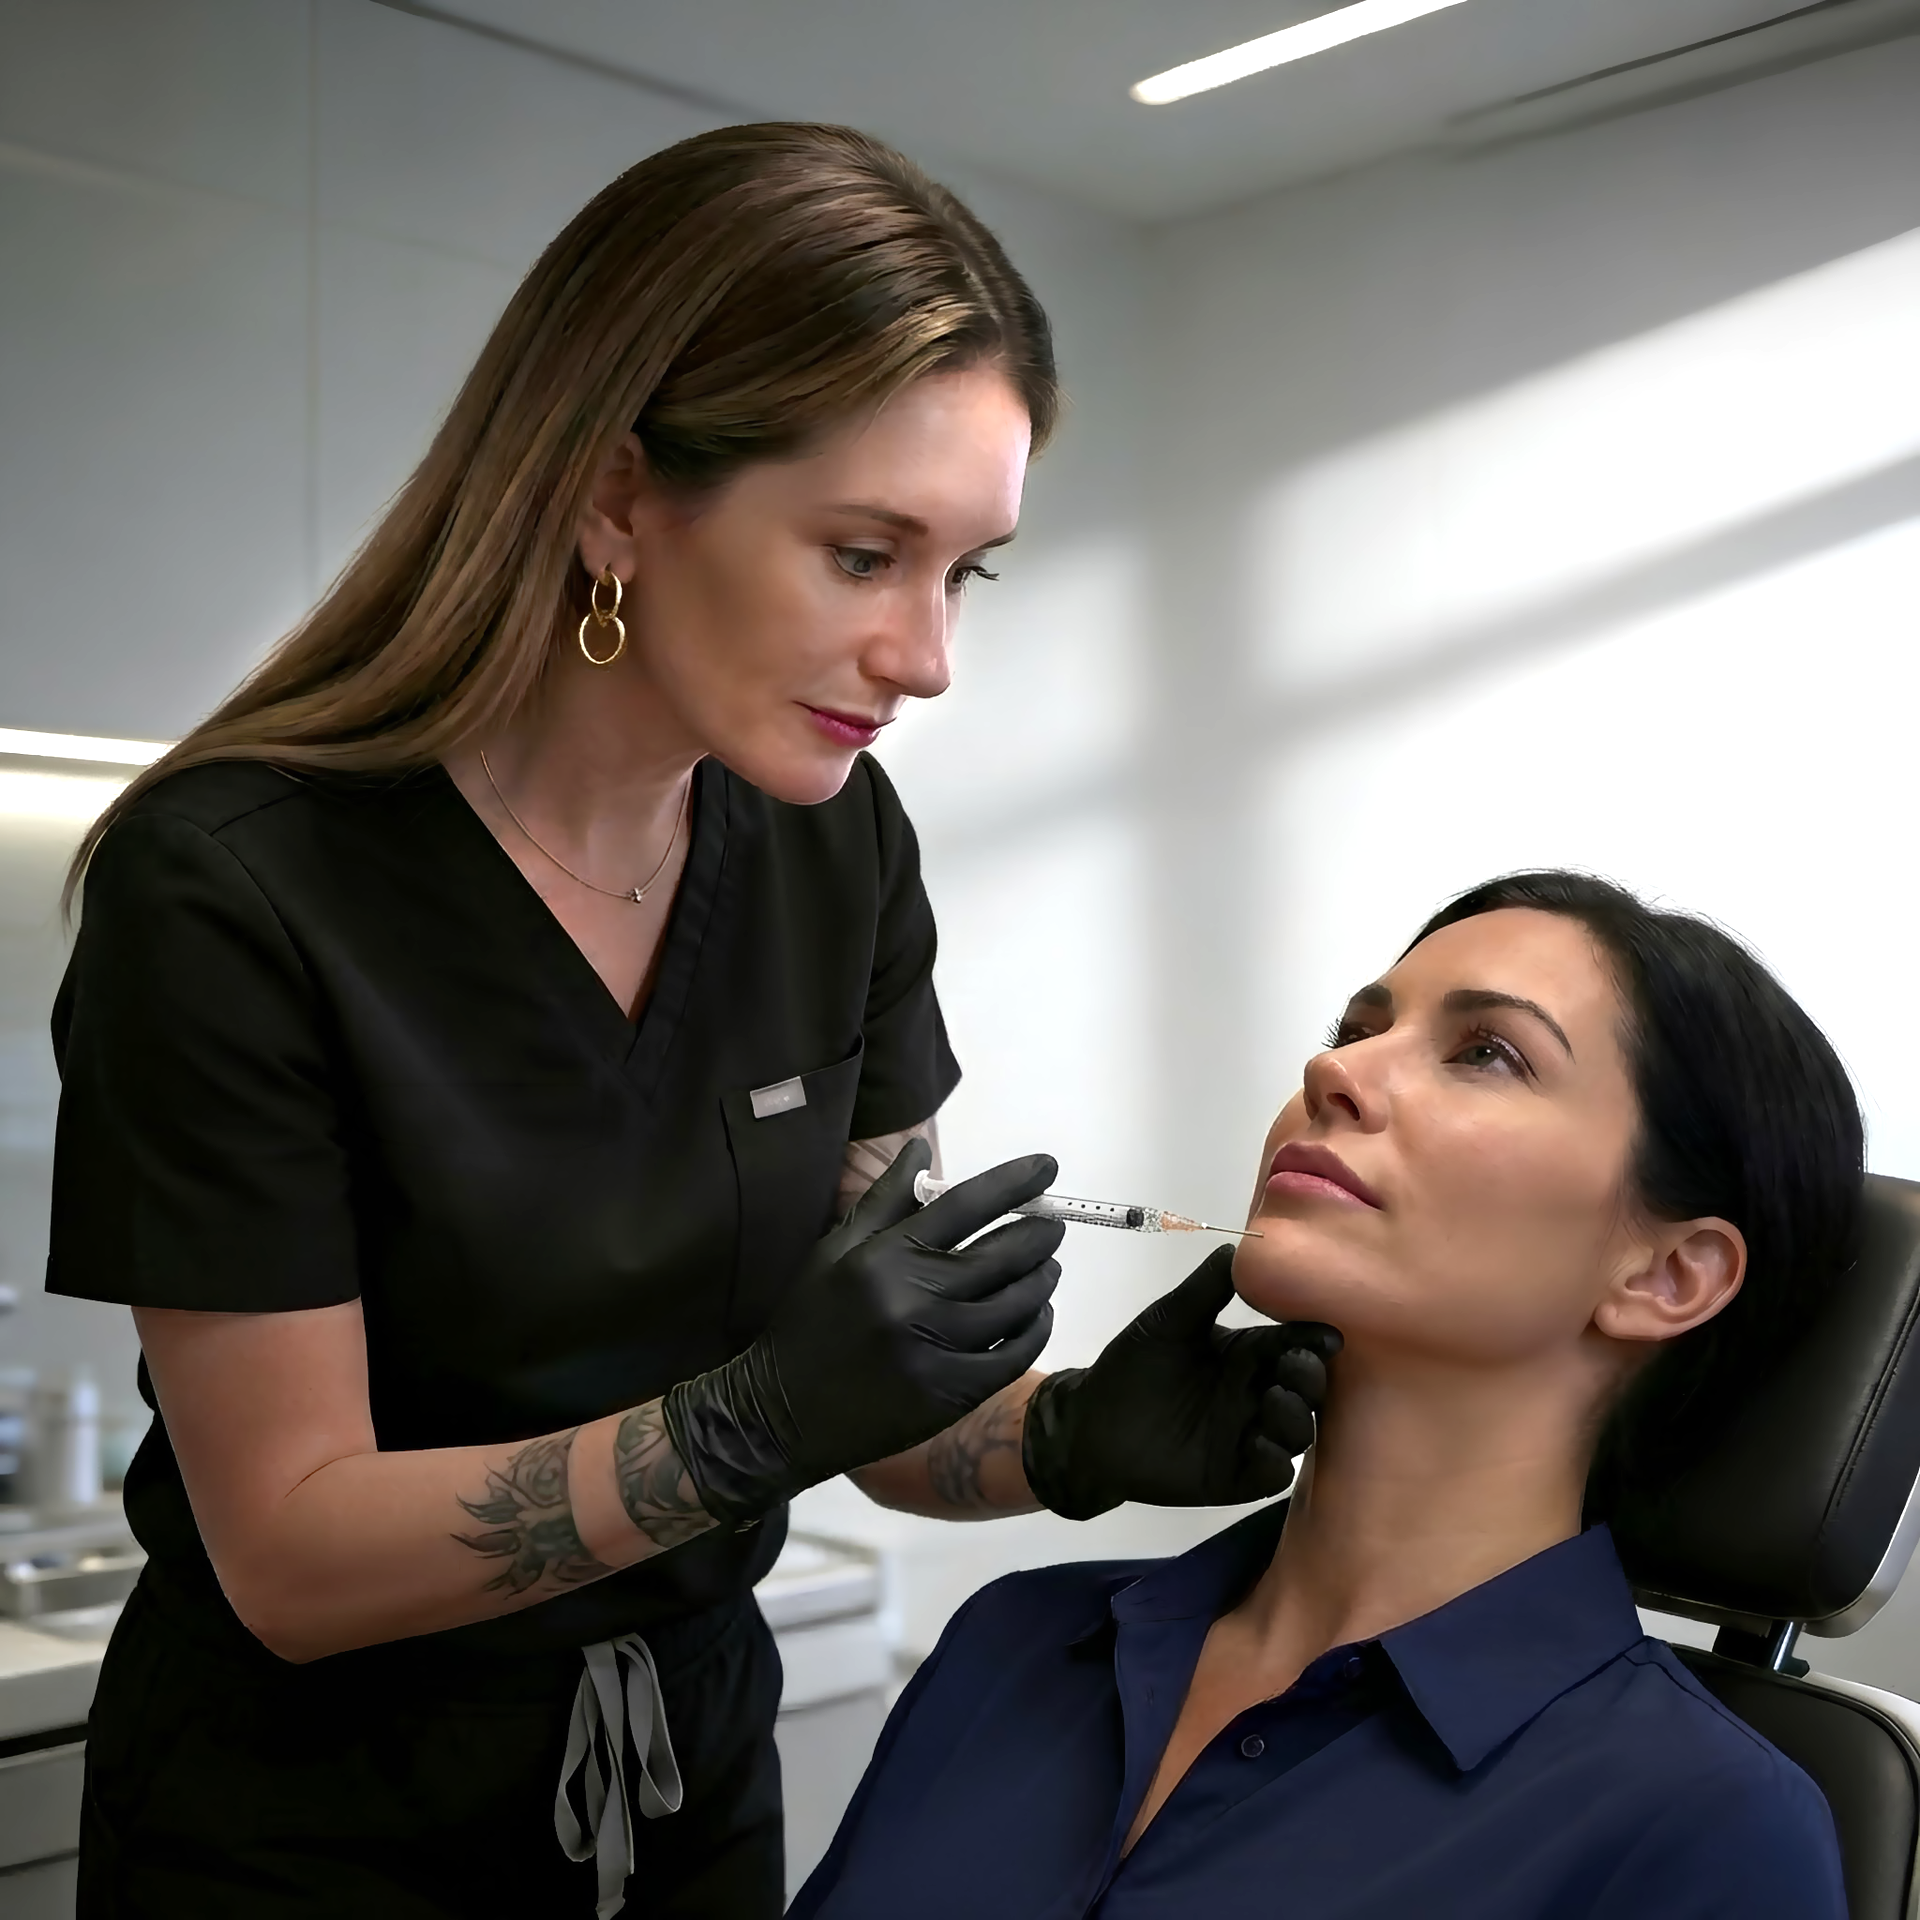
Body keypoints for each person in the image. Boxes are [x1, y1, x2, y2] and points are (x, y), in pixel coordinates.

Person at [46, 124, 1329, 1919]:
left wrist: (1074, 1438)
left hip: (683, 1795)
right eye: (866, 553)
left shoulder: (835, 845)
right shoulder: (237, 887)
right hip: (316, 1826)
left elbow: (872, 1411)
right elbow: (290, 1552)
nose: (927, 654)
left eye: (966, 572)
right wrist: (745, 1423)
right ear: (616, 495)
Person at [793, 871, 1859, 1920]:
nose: (1333, 1069)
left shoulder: (1704, 1826)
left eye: (1487, 1052)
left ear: (1664, 1276)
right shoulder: (1019, 1641)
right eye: (1357, 1027)